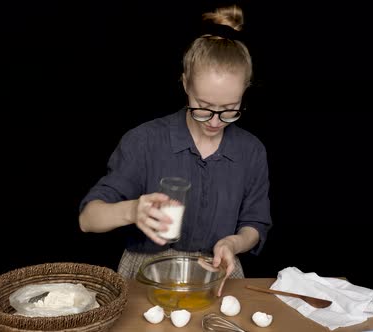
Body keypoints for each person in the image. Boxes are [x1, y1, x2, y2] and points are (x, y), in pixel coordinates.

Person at [78, 3, 271, 296]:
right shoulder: (143, 141)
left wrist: (233, 243)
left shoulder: (251, 151)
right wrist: (132, 210)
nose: (215, 122)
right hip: (145, 276)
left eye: (230, 110)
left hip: (218, 275)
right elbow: (88, 219)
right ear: (185, 84)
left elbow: (255, 224)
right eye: (204, 108)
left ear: (245, 91)